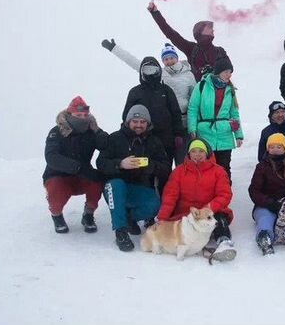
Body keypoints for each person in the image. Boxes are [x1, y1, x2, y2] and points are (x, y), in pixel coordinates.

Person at [101, 40, 196, 166]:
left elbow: (195, 99)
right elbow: (134, 62)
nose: (169, 61)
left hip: (183, 125)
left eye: (171, 58)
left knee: (183, 163)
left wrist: (191, 126)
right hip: (151, 130)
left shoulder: (188, 75)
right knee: (152, 164)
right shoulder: (160, 75)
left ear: (177, 58)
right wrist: (114, 48)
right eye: (166, 59)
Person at [96, 105, 171, 252]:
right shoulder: (115, 138)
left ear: (147, 123)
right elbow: (101, 163)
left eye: (142, 122)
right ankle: (121, 231)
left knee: (154, 205)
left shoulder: (153, 141)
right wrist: (120, 164)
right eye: (135, 121)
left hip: (140, 186)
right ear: (128, 122)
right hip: (115, 186)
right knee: (116, 185)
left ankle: (129, 218)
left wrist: (149, 165)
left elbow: (166, 167)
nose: (138, 125)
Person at [157, 139, 237, 261]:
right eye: (193, 151)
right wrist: (162, 218)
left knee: (220, 218)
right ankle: (195, 245)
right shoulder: (178, 171)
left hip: (211, 211)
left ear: (207, 153)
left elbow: (225, 194)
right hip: (186, 214)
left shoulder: (218, 171)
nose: (197, 154)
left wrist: (208, 208)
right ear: (189, 153)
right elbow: (170, 196)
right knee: (181, 230)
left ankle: (224, 242)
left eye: (201, 151)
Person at [43, 96, 108, 234]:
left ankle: (88, 214)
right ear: (69, 114)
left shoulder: (91, 131)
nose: (82, 118)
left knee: (97, 182)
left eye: (85, 115)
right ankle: (56, 215)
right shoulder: (57, 131)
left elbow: (105, 145)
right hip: (58, 175)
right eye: (78, 115)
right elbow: (52, 157)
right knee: (56, 192)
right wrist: (78, 167)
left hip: (82, 175)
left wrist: (97, 130)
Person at [122, 56, 185, 168]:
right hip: (141, 139)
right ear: (142, 72)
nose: (150, 73)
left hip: (165, 140)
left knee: (164, 170)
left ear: (159, 71)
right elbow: (127, 116)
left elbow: (176, 114)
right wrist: (125, 134)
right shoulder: (135, 92)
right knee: (142, 170)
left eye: (153, 70)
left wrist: (178, 135)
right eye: (147, 70)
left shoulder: (166, 90)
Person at [187, 56, 244, 180]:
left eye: (230, 72)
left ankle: (224, 195)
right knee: (207, 167)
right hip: (205, 133)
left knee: (224, 168)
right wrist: (192, 130)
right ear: (218, 73)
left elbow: (234, 113)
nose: (229, 75)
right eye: (226, 72)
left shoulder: (230, 89)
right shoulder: (201, 86)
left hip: (225, 133)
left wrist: (239, 135)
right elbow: (192, 109)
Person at [146, 1, 229, 81]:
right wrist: (155, 13)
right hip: (198, 93)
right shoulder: (191, 49)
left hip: (221, 93)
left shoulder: (220, 51)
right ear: (199, 32)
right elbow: (170, 34)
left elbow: (229, 68)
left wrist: (216, 70)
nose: (212, 29)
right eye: (209, 28)